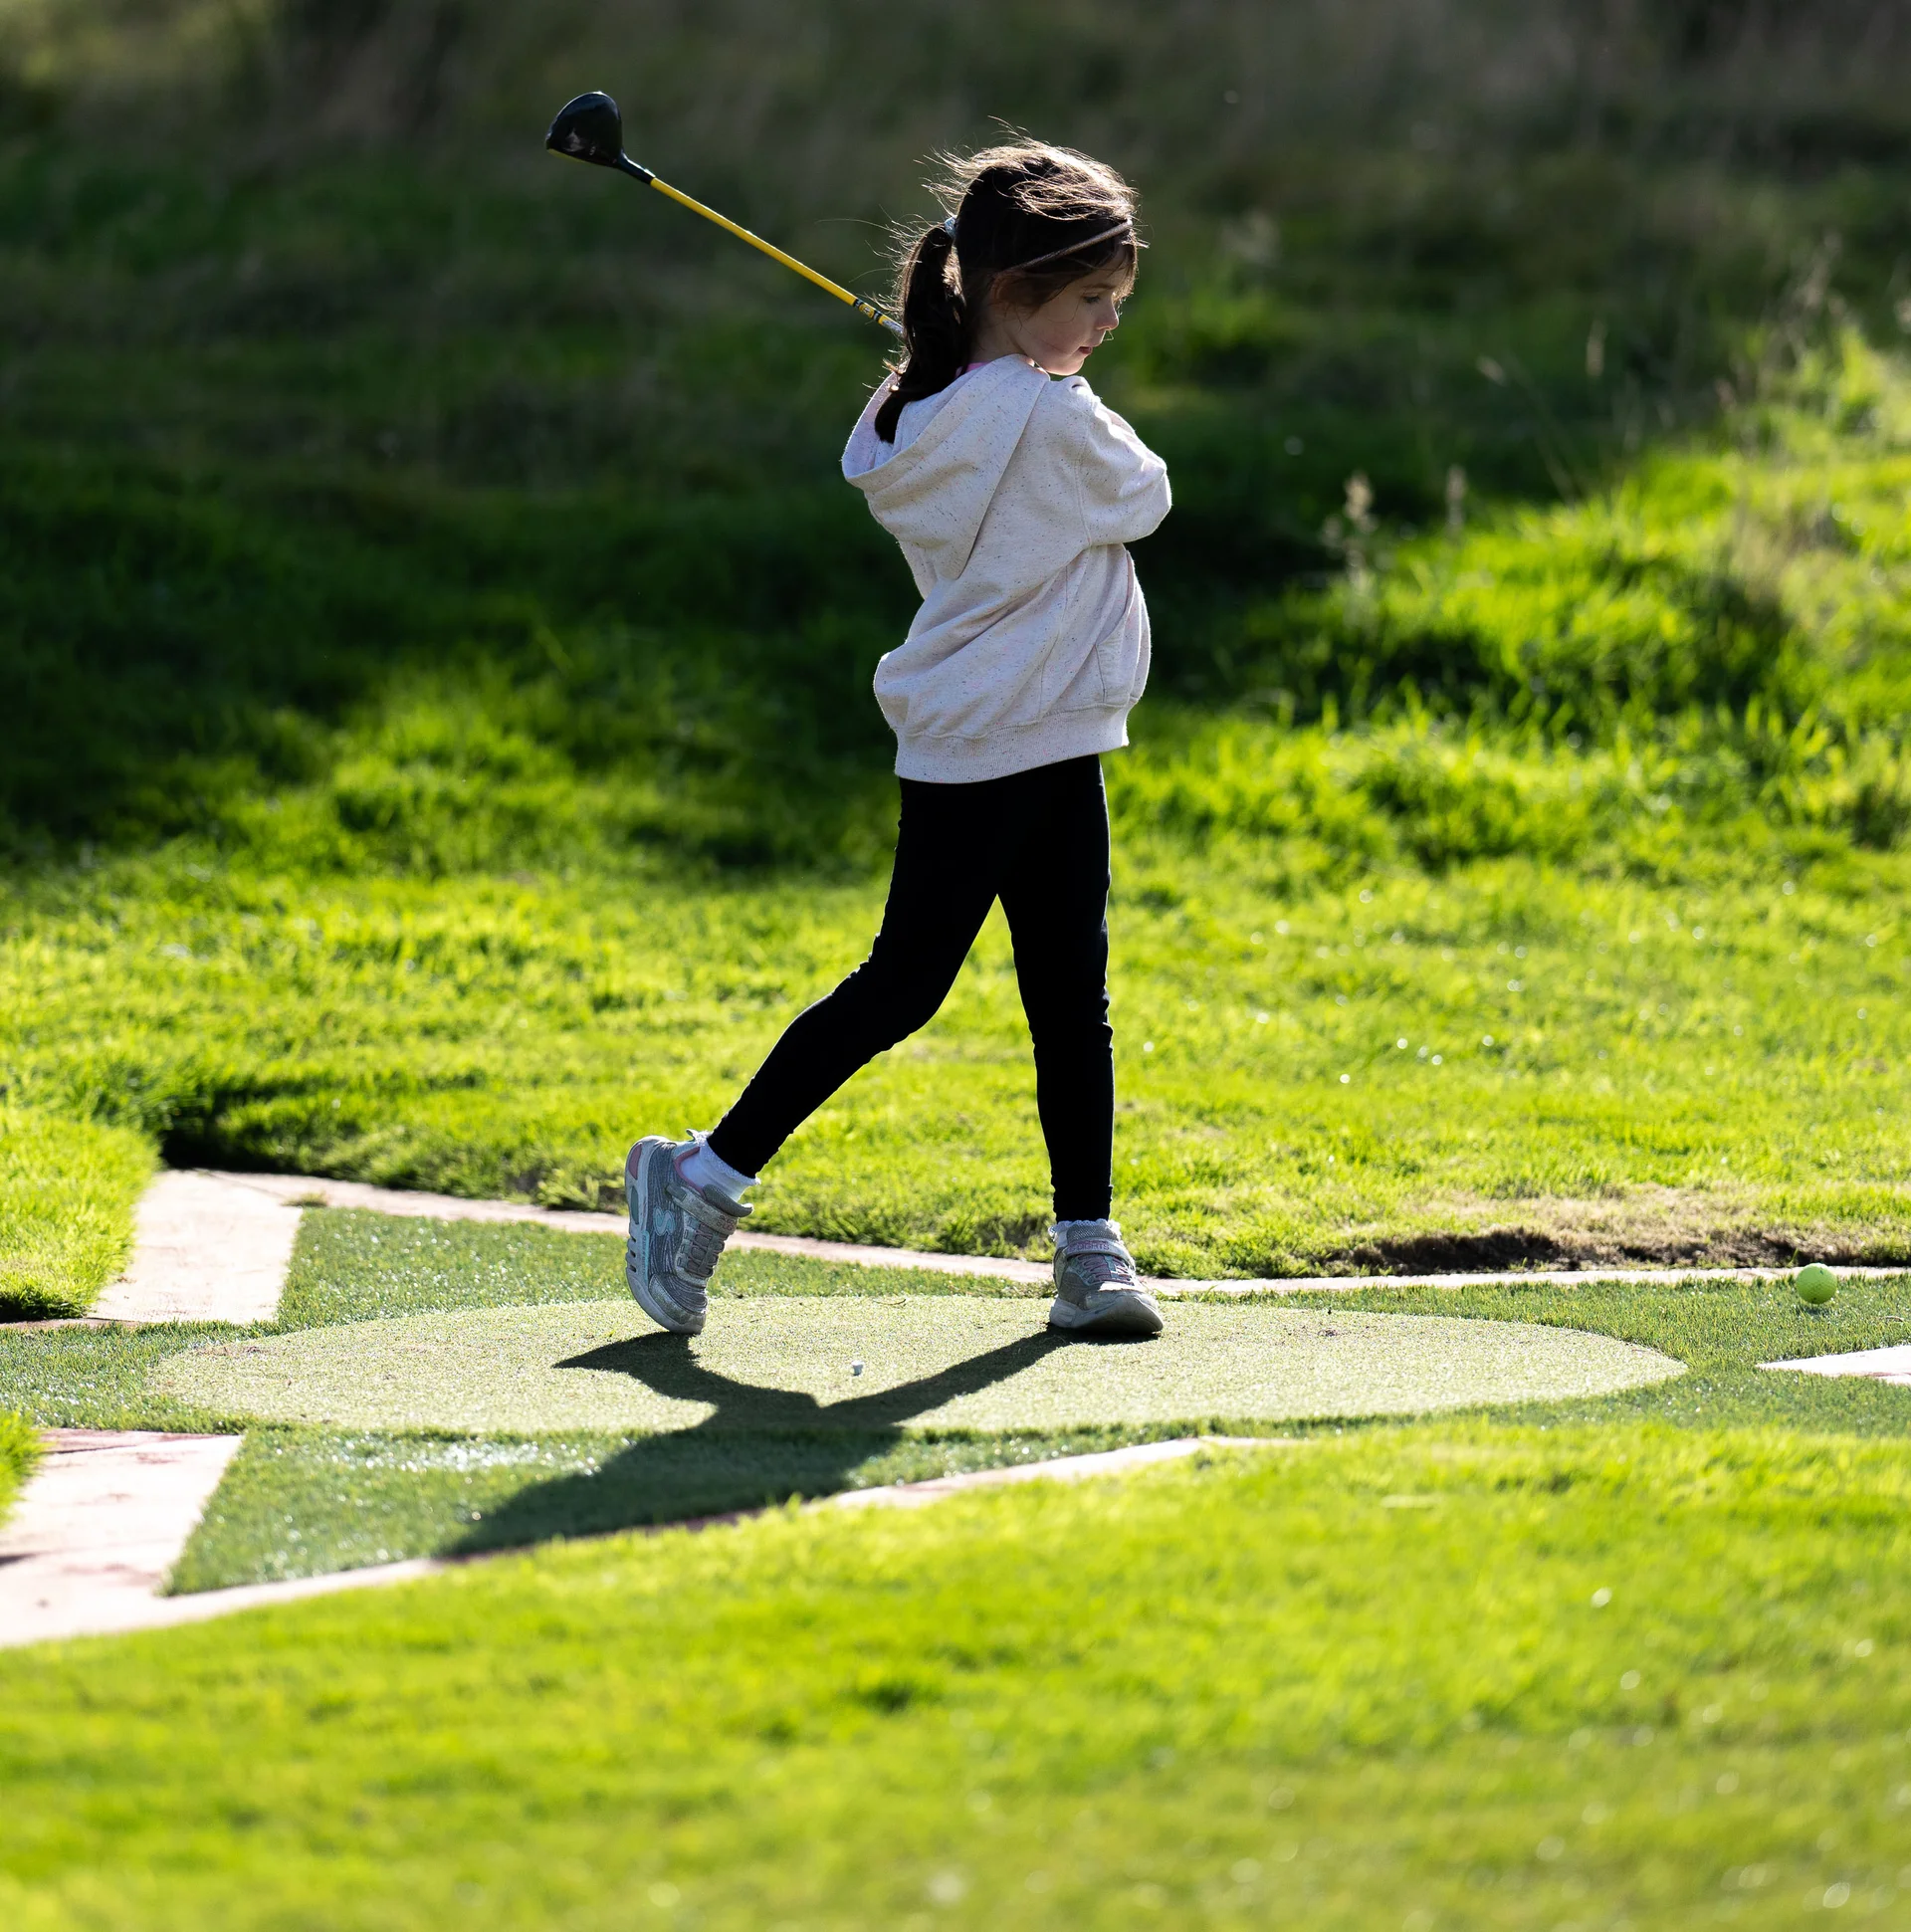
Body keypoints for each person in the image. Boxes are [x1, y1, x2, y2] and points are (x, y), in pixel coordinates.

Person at [625, 139, 1171, 1341]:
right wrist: (1047, 383)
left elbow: (1013, 424)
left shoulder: (915, 405)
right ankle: (700, 1177)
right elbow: (1148, 494)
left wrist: (999, 362)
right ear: (1014, 292)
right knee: (926, 988)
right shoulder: (1044, 412)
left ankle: (1089, 1243)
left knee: (1049, 995)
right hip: (1006, 734)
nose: (1106, 327)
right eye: (1090, 303)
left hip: (1027, 728)